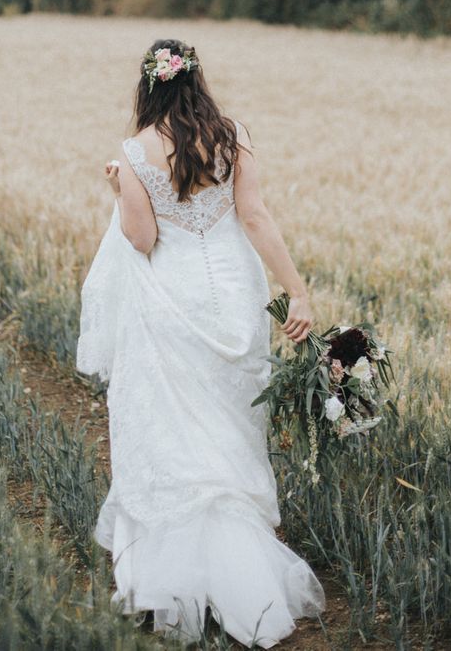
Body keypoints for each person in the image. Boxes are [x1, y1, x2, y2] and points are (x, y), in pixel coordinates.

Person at [76, 38, 326, 648]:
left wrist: (120, 188)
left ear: (150, 86)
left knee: (177, 429)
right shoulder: (232, 135)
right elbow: (257, 217)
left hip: (173, 298)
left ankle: (174, 579)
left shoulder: (135, 152)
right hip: (234, 294)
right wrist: (297, 291)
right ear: (196, 80)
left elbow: (140, 239)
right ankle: (246, 572)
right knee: (232, 423)